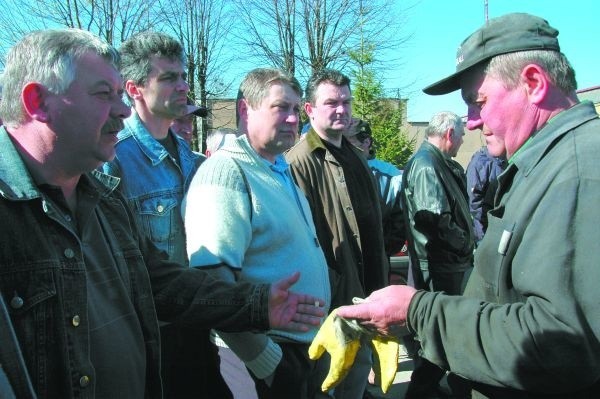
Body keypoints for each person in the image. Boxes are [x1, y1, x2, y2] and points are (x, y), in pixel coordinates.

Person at [0, 28, 324, 399]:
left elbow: (158, 280)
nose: (121, 109)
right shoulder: (91, 176)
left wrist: (254, 305)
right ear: (38, 101)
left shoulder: (104, 195)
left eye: (119, 94)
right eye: (104, 94)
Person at [335, 12, 600, 398]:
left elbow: (559, 345)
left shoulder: (577, 173)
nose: (472, 122)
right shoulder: (548, 163)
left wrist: (418, 312)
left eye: (478, 102)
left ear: (533, 83)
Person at [182, 68, 331, 399]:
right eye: (281, 107)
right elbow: (214, 283)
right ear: (245, 110)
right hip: (257, 361)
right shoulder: (226, 171)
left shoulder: (277, 168)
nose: (294, 119)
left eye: (296, 109)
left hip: (295, 352)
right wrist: (267, 360)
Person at [102, 31, 225, 398]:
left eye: (183, 75)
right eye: (169, 78)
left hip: (199, 328)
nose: (183, 86)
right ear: (134, 88)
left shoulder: (193, 161)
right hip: (151, 341)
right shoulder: (113, 160)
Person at [285, 69, 388, 399]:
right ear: (309, 109)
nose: (342, 109)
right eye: (331, 102)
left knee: (355, 383)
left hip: (366, 297)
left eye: (346, 101)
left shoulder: (357, 157)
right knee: (326, 386)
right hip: (331, 304)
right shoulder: (298, 162)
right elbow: (300, 241)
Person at [399, 110, 474, 397]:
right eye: (461, 134)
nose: (463, 139)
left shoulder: (434, 162)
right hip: (441, 265)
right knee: (442, 333)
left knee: (440, 333)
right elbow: (434, 219)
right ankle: (422, 390)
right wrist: (464, 244)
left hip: (443, 263)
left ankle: (427, 388)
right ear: (449, 134)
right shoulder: (428, 164)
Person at [344, 118, 405, 257]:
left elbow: (399, 220)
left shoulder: (390, 174)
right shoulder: (338, 169)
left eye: (349, 142)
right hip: (345, 258)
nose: (343, 147)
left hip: (377, 257)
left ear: (366, 142)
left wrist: (382, 250)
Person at [465, 144, 507, 244]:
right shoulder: (480, 163)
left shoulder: (505, 159)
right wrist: (483, 232)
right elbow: (474, 203)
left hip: (500, 226)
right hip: (484, 229)